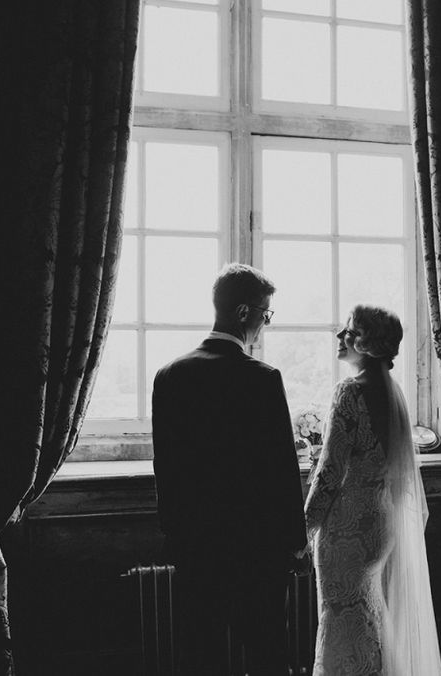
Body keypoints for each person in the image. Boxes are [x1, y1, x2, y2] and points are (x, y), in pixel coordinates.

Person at [152, 263, 308, 676]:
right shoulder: (263, 379)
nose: (265, 324)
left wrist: (177, 537)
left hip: (196, 547)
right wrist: (295, 541)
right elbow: (281, 469)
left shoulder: (169, 376)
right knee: (267, 654)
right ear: (243, 313)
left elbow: (165, 470)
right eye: (265, 314)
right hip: (257, 548)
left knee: (200, 656)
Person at [305, 304, 441, 675]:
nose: (340, 336)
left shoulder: (349, 391)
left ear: (366, 343)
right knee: (366, 612)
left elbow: (330, 473)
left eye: (348, 330)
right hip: (379, 523)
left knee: (339, 614)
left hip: (347, 527)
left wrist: (303, 526)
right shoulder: (392, 392)